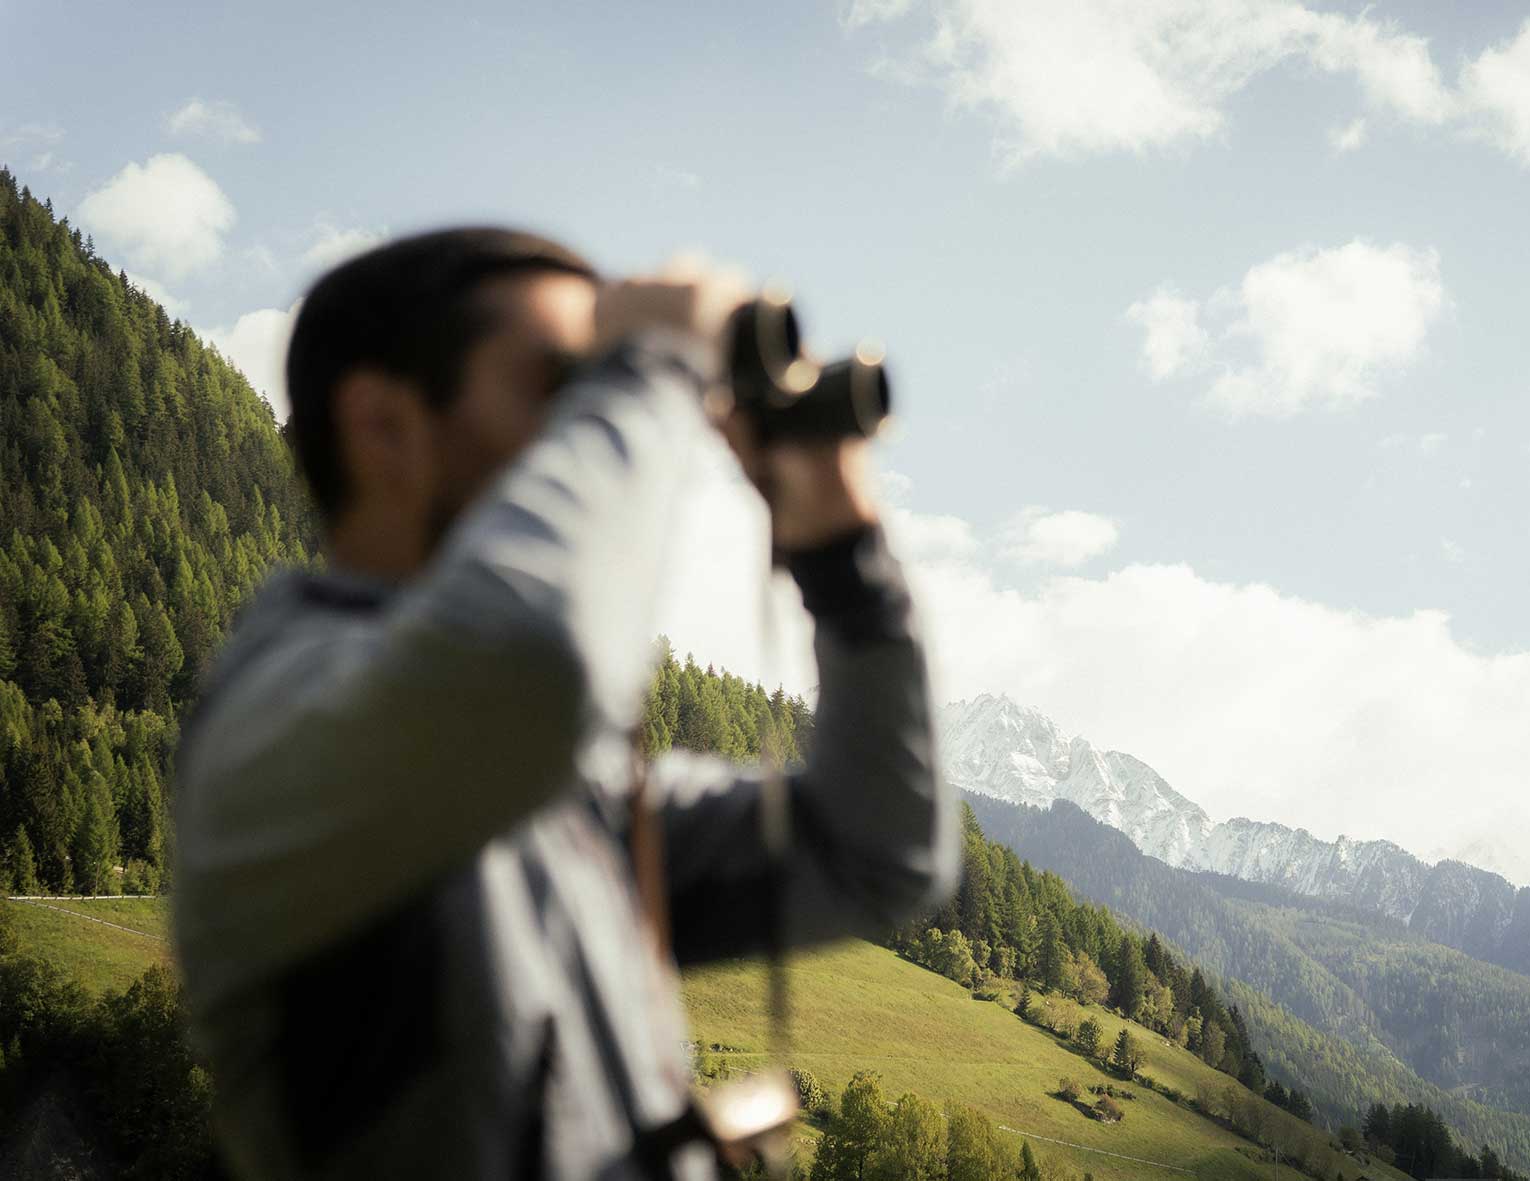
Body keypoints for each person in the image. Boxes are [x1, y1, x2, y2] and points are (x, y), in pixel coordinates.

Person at [171, 228, 957, 1179]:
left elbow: (877, 852)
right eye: (562, 386)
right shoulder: (271, 743)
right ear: (382, 426)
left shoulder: (558, 792)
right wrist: (656, 360)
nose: (592, 423)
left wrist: (842, 553)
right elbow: (530, 660)